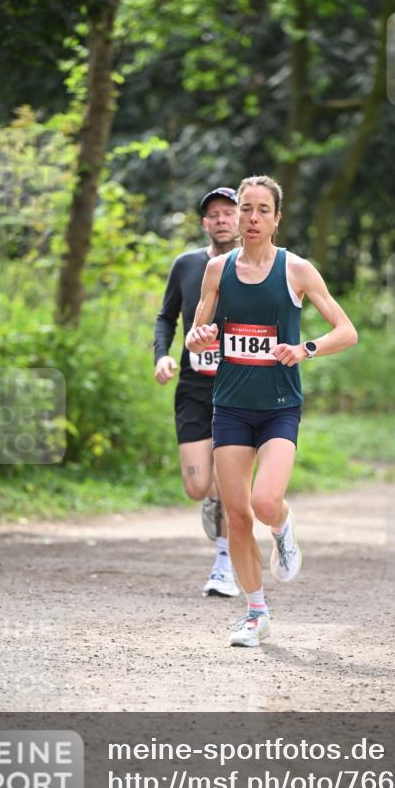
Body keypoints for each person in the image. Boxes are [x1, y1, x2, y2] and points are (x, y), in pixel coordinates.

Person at [185, 174, 358, 647]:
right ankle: (255, 613)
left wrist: (306, 348)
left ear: (277, 218)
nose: (252, 218)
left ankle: (283, 526)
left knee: (264, 504)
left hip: (280, 407)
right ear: (236, 216)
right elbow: (196, 333)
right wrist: (197, 337)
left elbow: (347, 330)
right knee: (237, 516)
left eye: (262, 210)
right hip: (231, 406)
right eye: (245, 209)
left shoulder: (296, 270)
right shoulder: (218, 270)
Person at [154, 187, 241, 596]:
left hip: (238, 385)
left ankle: (224, 562)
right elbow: (166, 317)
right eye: (214, 215)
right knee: (197, 485)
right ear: (205, 223)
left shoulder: (258, 268)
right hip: (193, 385)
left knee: (227, 477)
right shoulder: (187, 265)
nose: (222, 219)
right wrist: (161, 356)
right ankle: (214, 502)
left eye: (229, 212)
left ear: (241, 220)